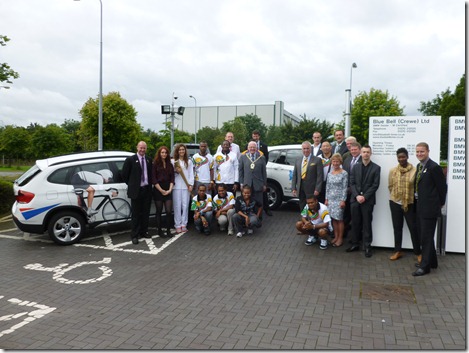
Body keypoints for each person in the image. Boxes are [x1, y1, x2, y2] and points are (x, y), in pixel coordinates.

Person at [412, 142, 447, 276]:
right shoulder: (420, 166)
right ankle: (432, 261)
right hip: (420, 206)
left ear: (428, 151)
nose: (419, 154)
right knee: (425, 235)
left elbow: (442, 187)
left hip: (430, 208)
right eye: (417, 152)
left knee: (426, 237)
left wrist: (441, 203)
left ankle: (425, 266)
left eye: (422, 151)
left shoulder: (434, 167)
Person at [346, 144, 381, 257]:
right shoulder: (355, 167)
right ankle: (355, 243)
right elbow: (352, 183)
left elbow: (375, 185)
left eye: (367, 152)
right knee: (355, 223)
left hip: (368, 200)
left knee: (367, 223)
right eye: (364, 152)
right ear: (361, 153)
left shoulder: (376, 168)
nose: (365, 154)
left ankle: (367, 246)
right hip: (355, 200)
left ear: (370, 153)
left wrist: (364, 196)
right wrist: (357, 196)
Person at [388, 147, 420, 261]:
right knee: (397, 228)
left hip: (409, 203)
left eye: (403, 157)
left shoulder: (415, 170)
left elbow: (417, 187)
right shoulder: (393, 171)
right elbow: (390, 186)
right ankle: (397, 251)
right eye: (399, 157)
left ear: (407, 157)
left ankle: (418, 253)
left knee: (413, 228)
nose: (401, 159)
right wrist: (396, 196)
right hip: (395, 202)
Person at [122, 141, 153, 244]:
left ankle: (144, 231)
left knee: (145, 213)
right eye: (141, 148)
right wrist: (133, 185)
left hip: (146, 190)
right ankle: (134, 235)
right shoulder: (130, 160)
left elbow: (151, 175)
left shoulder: (149, 160)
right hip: (136, 191)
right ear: (137, 147)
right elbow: (125, 175)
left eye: (144, 148)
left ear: (146, 149)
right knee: (135, 214)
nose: (142, 150)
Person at [292, 141, 323, 211]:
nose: (306, 150)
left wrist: (317, 189)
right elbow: (295, 175)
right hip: (300, 187)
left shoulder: (317, 160)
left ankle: (312, 221)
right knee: (302, 204)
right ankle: (304, 219)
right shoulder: (298, 159)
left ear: (311, 149)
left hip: (312, 188)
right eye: (304, 148)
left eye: (307, 148)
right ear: (302, 149)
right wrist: (293, 188)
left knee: (312, 206)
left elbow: (320, 176)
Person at [325, 153, 348, 247]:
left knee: (340, 219)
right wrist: (326, 199)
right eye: (333, 161)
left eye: (337, 161)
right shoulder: (330, 174)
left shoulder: (344, 173)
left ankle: (340, 238)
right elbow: (327, 187)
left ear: (340, 162)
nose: (335, 163)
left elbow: (345, 187)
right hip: (330, 199)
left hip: (339, 200)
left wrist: (343, 200)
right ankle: (336, 236)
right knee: (333, 219)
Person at [238, 141, 267, 216]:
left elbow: (264, 172)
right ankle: (246, 216)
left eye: (254, 147)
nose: (252, 149)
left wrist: (264, 184)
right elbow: (240, 171)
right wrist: (241, 183)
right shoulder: (243, 157)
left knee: (259, 201)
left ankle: (258, 217)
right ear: (248, 148)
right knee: (247, 201)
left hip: (258, 184)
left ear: (256, 148)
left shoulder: (261, 157)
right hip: (247, 184)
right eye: (250, 147)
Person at [152, 146, 175, 238]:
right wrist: (161, 190)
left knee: (169, 211)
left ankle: (168, 230)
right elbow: (153, 179)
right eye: (162, 152)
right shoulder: (155, 164)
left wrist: (169, 190)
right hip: (158, 189)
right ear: (159, 153)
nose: (164, 154)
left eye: (165, 152)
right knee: (159, 211)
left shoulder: (170, 164)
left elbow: (172, 178)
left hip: (168, 188)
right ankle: (159, 230)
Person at [172, 143, 194, 234]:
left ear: (185, 151)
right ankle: (177, 224)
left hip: (186, 186)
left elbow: (191, 174)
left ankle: (184, 224)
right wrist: (175, 171)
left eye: (183, 150)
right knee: (177, 206)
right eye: (180, 150)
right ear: (177, 151)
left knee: (185, 206)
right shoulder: (173, 161)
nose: (181, 151)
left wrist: (191, 184)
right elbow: (171, 175)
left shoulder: (188, 161)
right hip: (176, 186)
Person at [249, 130, 272, 216]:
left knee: (263, 191)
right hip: (251, 172)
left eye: (257, 136)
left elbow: (266, 158)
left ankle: (266, 209)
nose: (255, 137)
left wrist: (259, 167)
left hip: (260, 171)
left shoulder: (264, 146)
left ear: (259, 136)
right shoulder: (248, 145)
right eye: (254, 136)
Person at [342, 141, 362, 234]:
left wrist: (353, 189)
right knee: (346, 213)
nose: (353, 151)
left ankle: (356, 236)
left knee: (356, 216)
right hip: (346, 190)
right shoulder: (347, 160)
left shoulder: (362, 160)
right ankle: (345, 232)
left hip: (357, 192)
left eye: (355, 150)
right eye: (352, 149)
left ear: (360, 150)